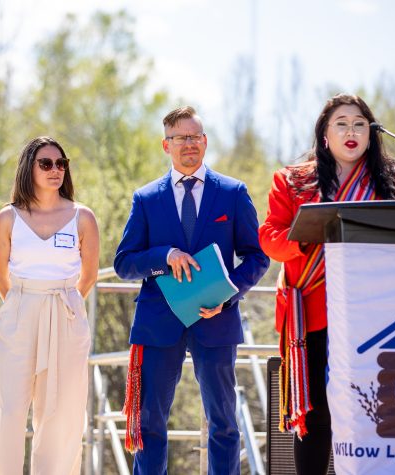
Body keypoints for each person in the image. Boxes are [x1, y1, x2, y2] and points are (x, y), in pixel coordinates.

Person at [259, 93, 395, 475]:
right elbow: (268, 237)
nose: (351, 132)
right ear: (324, 135)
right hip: (313, 318)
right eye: (341, 124)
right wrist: (305, 236)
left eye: (360, 124)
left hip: (378, 315)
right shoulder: (293, 181)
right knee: (315, 418)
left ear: (372, 133)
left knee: (376, 411)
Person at [114, 106, 269, 474]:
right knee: (150, 423)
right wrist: (164, 256)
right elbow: (124, 263)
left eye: (195, 136)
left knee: (224, 423)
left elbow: (257, 257)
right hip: (158, 323)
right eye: (180, 138)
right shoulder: (146, 198)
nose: (189, 144)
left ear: (205, 141)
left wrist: (228, 295)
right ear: (165, 145)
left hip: (216, 320)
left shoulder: (232, 193)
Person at [0, 136, 100, 474]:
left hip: (65, 312)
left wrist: (62, 304)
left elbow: (89, 275)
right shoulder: (8, 217)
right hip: (20, 310)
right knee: (11, 409)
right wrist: (25, 303)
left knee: (61, 411)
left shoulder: (83, 217)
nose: (55, 170)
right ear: (29, 168)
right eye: (46, 163)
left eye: (61, 164)